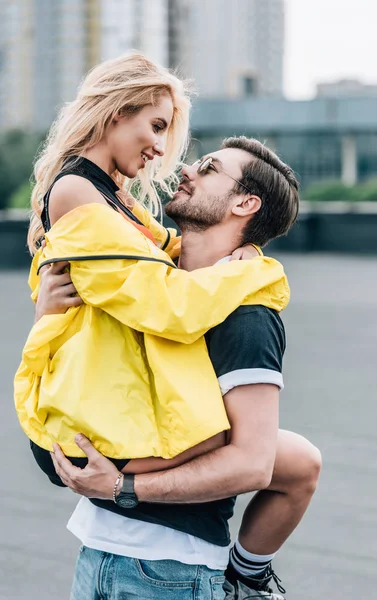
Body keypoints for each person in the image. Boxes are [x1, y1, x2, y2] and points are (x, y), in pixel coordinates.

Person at [41, 137, 321, 600]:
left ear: (244, 202)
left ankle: (249, 579)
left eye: (209, 167)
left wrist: (121, 487)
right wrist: (47, 313)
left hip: (172, 571)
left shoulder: (246, 316)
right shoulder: (147, 279)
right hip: (96, 553)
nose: (189, 169)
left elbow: (252, 463)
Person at [15, 51, 290, 472]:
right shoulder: (74, 189)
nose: (160, 148)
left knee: (294, 460)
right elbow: (166, 304)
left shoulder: (115, 196)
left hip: (107, 403)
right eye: (156, 126)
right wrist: (256, 272)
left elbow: (167, 247)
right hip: (76, 425)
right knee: (217, 437)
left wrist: (248, 251)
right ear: (117, 114)